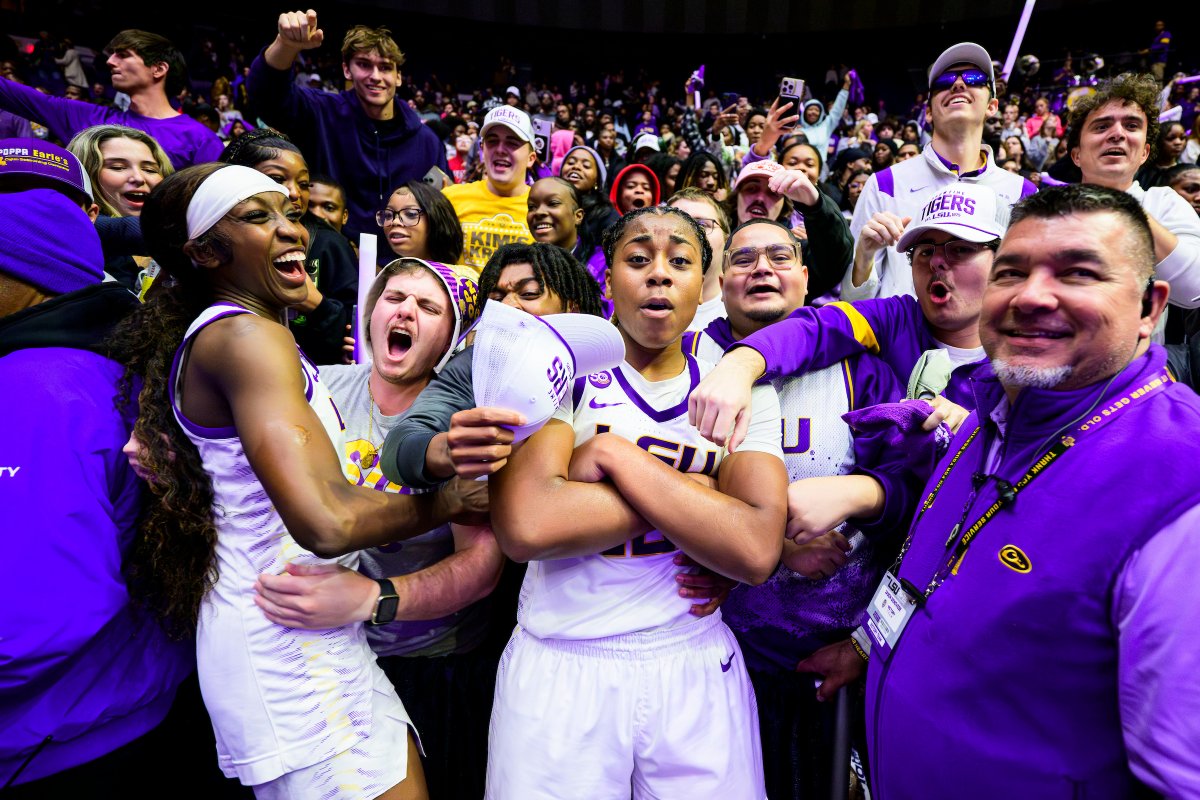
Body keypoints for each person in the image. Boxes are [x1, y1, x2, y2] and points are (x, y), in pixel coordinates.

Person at [109, 162, 486, 799]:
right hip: (283, 638)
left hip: (305, 625)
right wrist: (446, 501)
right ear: (203, 252)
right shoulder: (248, 337)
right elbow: (327, 521)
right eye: (259, 218)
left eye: (289, 212)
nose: (293, 231)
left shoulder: (252, 333)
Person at [817, 183, 1200, 798]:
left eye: (1077, 272)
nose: (1031, 295)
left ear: (1151, 307)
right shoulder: (982, 416)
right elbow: (937, 574)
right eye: (1012, 271)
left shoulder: (1181, 485)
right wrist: (869, 648)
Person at [486, 207, 788, 798]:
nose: (659, 275)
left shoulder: (741, 391)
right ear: (608, 280)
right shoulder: (559, 375)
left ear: (704, 283)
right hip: (562, 662)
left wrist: (619, 461)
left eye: (680, 261)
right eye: (638, 259)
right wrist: (703, 498)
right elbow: (528, 523)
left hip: (692, 661)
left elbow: (754, 549)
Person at [681, 218, 920, 800]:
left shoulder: (862, 367)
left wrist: (864, 495)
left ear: (806, 276)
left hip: (830, 655)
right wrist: (766, 543)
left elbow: (909, 493)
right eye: (743, 259)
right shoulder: (683, 356)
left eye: (779, 256)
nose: (762, 268)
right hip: (707, 646)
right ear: (719, 278)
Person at [253, 257, 500, 800]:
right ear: (370, 313)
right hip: (316, 656)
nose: (405, 309)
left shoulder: (459, 422)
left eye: (428, 306)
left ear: (452, 336)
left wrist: (376, 597)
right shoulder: (319, 389)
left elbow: (482, 567)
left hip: (428, 667)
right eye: (394, 298)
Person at [0, 139, 197, 795]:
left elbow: (30, 616)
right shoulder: (95, 362)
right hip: (111, 714)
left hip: (61, 740)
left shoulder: (34, 389)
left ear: (21, 276)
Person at [687, 182, 1010, 454]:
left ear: (1003, 260)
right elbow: (817, 327)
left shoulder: (1029, 353)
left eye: (961, 249)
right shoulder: (894, 318)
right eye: (925, 251)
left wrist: (972, 430)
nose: (938, 261)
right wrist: (739, 366)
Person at [844, 42, 1036, 302]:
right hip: (902, 340)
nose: (958, 84)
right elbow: (853, 303)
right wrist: (864, 257)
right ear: (928, 112)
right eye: (945, 81)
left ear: (992, 105)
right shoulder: (884, 183)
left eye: (974, 78)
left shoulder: (1023, 192)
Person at [247, 9, 448, 240]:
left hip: (400, 267)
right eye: (364, 64)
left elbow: (438, 213)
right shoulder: (320, 111)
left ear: (399, 76)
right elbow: (266, 97)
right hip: (326, 258)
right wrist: (285, 44)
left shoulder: (427, 142)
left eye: (385, 67)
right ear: (346, 70)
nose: (375, 76)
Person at [1066, 73, 1200, 329]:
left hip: (1138, 366)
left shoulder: (1164, 203)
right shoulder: (1048, 211)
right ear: (1077, 155)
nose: (1117, 134)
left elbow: (1195, 289)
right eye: (1102, 126)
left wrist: (1122, 206)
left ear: (1144, 153)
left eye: (1131, 126)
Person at [220, 127, 359, 365]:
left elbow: (354, 328)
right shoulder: (213, 240)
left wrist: (316, 305)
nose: (294, 192)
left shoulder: (327, 243)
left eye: (304, 183)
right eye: (277, 179)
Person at [0, 30, 223, 168]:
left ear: (159, 69)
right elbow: (13, 94)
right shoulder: (87, 118)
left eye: (123, 55)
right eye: (113, 55)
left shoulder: (200, 138)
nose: (110, 61)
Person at [67, 124, 174, 293]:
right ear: (86, 174)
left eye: (149, 169)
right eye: (117, 167)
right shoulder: (66, 228)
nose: (139, 178)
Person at [442, 105, 536, 273]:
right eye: (492, 141)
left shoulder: (544, 209)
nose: (500, 149)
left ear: (531, 158)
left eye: (512, 142)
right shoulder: (450, 199)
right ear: (481, 151)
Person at [669, 187, 731, 331]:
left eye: (702, 224)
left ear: (726, 240)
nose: (690, 232)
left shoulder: (743, 310)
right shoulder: (640, 309)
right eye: (677, 223)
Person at [380, 179, 465, 265]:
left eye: (410, 214)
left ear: (435, 220)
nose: (395, 221)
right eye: (388, 215)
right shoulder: (385, 275)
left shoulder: (458, 276)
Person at [1139, 20, 1172, 84]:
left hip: (1159, 61)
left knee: (1158, 81)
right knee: (1152, 80)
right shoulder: (1156, 36)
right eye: (1157, 25)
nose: (1158, 26)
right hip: (1153, 61)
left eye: (1160, 25)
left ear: (1163, 26)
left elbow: (1162, 45)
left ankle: (1159, 94)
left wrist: (1148, 50)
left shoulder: (1166, 34)